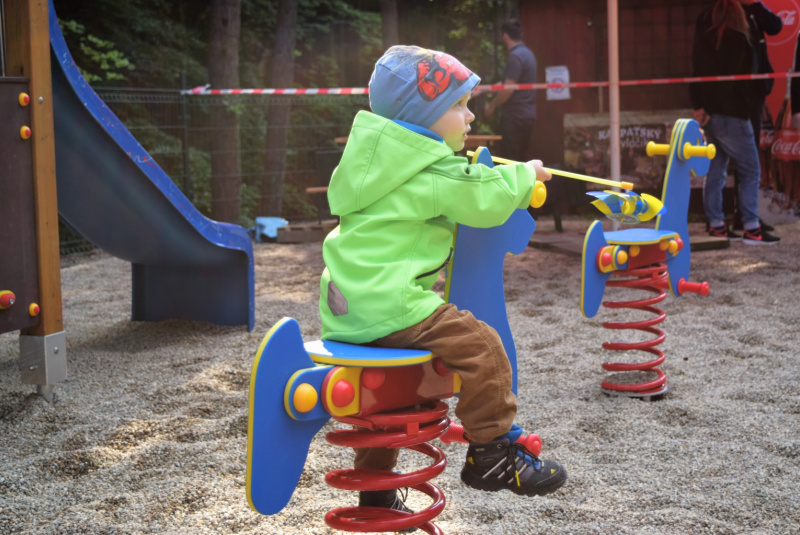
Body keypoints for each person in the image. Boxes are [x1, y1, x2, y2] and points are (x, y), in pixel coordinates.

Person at [319, 45, 567, 514]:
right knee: (483, 345)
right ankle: (492, 450)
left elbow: (462, 181)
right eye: (458, 105)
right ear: (423, 115)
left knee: (386, 399)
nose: (470, 116)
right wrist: (523, 177)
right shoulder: (428, 169)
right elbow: (480, 200)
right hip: (391, 302)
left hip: (345, 305)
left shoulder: (375, 163)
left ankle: (374, 485)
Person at [690, 0, 780, 244]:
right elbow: (743, 82)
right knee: (750, 169)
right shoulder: (740, 41)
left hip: (711, 113)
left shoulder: (707, 38)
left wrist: (700, 106)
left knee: (716, 169)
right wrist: (749, 106)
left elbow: (696, 69)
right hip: (734, 114)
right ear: (738, 13)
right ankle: (751, 226)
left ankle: (717, 223)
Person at [732, 0, 781, 231]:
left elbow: (776, 26)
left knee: (750, 155)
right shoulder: (729, 12)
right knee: (743, 157)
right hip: (738, 95)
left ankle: (746, 213)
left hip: (755, 93)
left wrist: (756, 6)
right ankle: (742, 214)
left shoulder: (755, 12)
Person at [481, 19, 538, 162]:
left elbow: (508, 89)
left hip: (514, 117)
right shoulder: (528, 54)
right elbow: (508, 83)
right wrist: (483, 90)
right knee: (521, 158)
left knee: (510, 160)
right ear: (521, 34)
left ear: (505, 36)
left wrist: (492, 106)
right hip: (528, 115)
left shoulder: (515, 56)